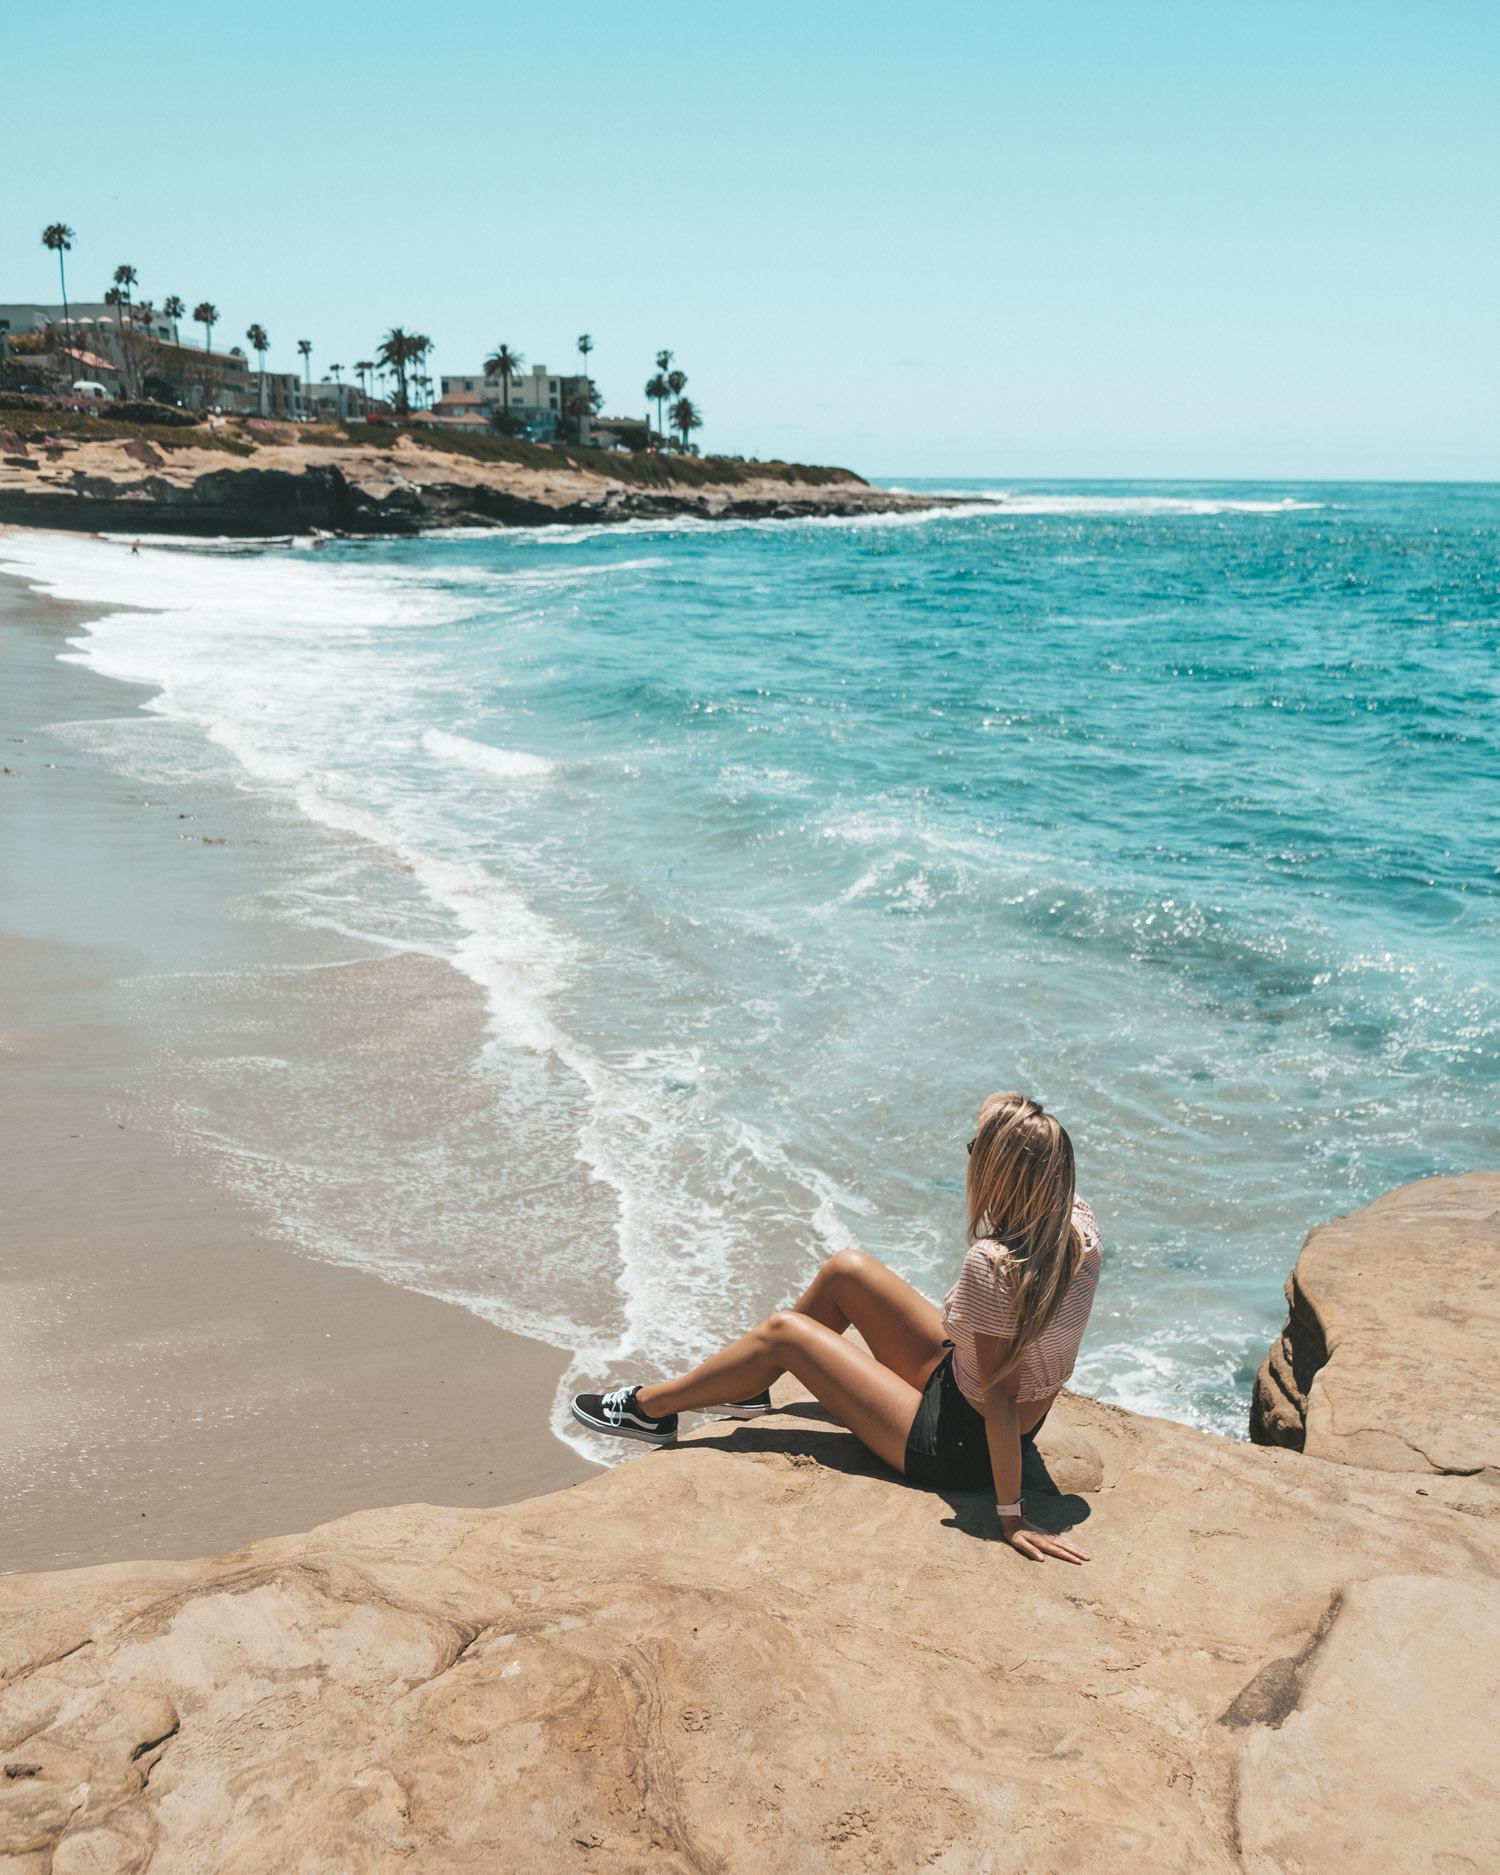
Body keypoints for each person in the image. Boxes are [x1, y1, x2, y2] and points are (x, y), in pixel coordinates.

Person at [572, 1091, 1101, 1564]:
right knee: (847, 1270)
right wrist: (1011, 1118)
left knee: (785, 1333)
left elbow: (1003, 1398)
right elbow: (1003, 1107)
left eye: (975, 1151)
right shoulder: (1078, 1223)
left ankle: (650, 1409)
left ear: (998, 1174)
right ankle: (750, 1387)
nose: (969, 1158)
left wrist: (1010, 1515)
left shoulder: (993, 1264)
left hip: (956, 1446)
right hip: (961, 1386)